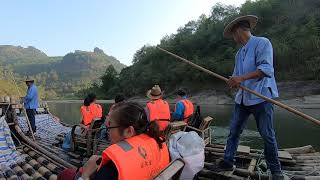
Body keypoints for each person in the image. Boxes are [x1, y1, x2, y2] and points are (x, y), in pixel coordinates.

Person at [219, 15, 286, 179]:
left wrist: (241, 78)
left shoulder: (262, 43)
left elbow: (265, 70)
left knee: (267, 134)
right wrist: (232, 81)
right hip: (242, 99)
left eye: (233, 35)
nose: (233, 38)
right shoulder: (238, 54)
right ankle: (228, 160)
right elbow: (236, 77)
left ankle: (276, 170)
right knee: (233, 131)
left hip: (261, 96)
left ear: (238, 31)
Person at [58, 102, 170, 180]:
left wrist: (85, 175)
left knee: (66, 174)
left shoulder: (112, 169)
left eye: (109, 127)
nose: (107, 132)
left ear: (129, 131)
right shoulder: (158, 142)